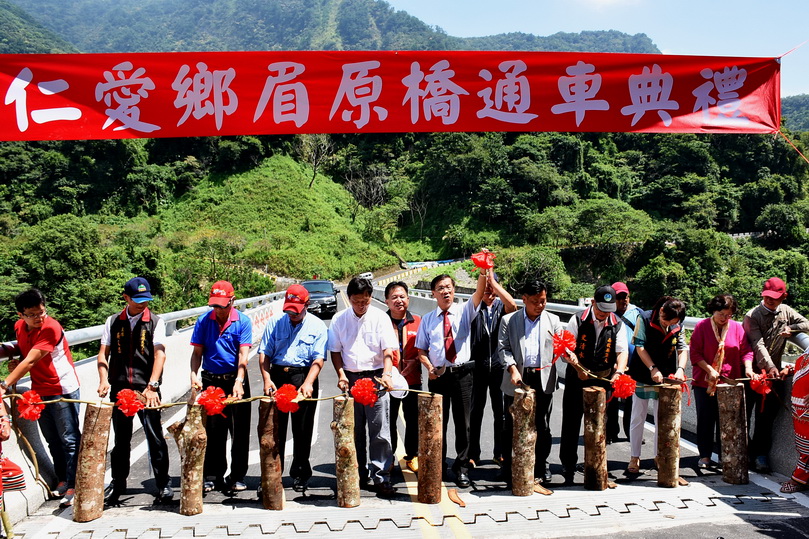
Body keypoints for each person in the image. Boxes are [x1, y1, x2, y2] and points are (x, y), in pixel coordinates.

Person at [0, 289, 80, 507]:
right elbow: (24, 350)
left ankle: (75, 484)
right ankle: (63, 479)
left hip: (62, 388)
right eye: (32, 314)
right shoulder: (19, 327)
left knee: (69, 440)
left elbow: (31, 361)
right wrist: (13, 357)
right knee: (52, 439)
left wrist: (5, 385)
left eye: (41, 312)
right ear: (21, 315)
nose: (38, 318)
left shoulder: (51, 327)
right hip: (40, 389)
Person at [97, 277, 173, 504]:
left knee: (155, 436)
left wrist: (152, 386)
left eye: (146, 300)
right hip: (120, 388)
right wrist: (103, 379)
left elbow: (160, 354)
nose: (143, 304)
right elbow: (103, 354)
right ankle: (118, 483)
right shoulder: (113, 321)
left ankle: (163, 484)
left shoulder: (155, 322)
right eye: (138, 300)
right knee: (121, 440)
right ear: (126, 298)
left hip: (146, 387)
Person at [329, 277, 397, 497]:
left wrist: (386, 374)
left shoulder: (380, 318)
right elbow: (336, 351)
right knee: (354, 430)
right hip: (351, 378)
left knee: (380, 431)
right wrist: (341, 374)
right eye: (357, 301)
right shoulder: (339, 319)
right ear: (349, 299)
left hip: (377, 378)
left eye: (366, 301)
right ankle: (357, 473)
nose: (362, 305)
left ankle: (381, 476)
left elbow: (388, 350)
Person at [416, 271, 485, 488]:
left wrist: (483, 272)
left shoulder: (465, 311)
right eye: (440, 288)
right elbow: (421, 350)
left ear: (453, 290)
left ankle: (462, 467)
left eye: (448, 287)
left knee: (463, 423)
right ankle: (439, 465)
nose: (446, 291)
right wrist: (429, 368)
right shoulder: (428, 320)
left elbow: (480, 293)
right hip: (439, 377)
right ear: (433, 293)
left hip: (463, 375)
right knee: (438, 424)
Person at [258, 284, 327, 493]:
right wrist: (267, 379)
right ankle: (272, 475)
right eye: (289, 311)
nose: (292, 315)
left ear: (307, 305)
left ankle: (300, 473)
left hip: (304, 376)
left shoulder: (317, 326)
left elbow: (318, 358)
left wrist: (308, 383)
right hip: (278, 376)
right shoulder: (275, 323)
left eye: (296, 311)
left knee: (302, 430)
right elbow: (264, 354)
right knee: (274, 430)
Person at [559, 284, 628, 485]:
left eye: (608, 311)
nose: (603, 315)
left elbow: (622, 351)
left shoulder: (617, 323)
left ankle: (595, 464)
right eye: (600, 310)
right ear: (592, 303)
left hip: (602, 379)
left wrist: (619, 371)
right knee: (571, 422)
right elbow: (566, 350)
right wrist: (578, 368)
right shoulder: (577, 319)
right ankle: (568, 464)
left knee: (599, 424)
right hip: (577, 377)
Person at [498, 280, 563, 486]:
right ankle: (509, 465)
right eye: (535, 301)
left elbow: (562, 345)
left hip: (543, 378)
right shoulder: (509, 320)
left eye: (543, 301)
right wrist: (512, 368)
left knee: (542, 425)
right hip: (518, 377)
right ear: (524, 299)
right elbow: (503, 349)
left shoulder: (553, 320)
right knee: (511, 425)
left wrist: (568, 354)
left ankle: (541, 465)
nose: (540, 305)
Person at [189, 280, 252, 493]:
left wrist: (239, 380)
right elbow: (197, 353)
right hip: (211, 381)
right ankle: (212, 474)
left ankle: (237, 476)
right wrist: (193, 375)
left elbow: (243, 354)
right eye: (215, 305)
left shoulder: (242, 321)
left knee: (239, 430)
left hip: (235, 379)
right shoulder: (203, 321)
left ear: (232, 301)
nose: (219, 310)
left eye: (223, 305)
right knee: (213, 430)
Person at [743, 277, 809, 473]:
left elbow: (806, 323)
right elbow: (758, 345)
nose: (770, 301)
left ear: (783, 297)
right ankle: (744, 454)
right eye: (767, 297)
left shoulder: (786, 311)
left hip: (774, 377)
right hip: (751, 373)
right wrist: (771, 366)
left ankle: (760, 455)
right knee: (743, 417)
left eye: (775, 298)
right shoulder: (753, 315)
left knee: (766, 419)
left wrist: (792, 328)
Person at [625, 296, 688, 474]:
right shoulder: (643, 318)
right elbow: (640, 347)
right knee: (638, 416)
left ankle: (659, 455)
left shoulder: (678, 325)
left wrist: (681, 369)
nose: (667, 324)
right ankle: (634, 456)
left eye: (673, 322)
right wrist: (652, 368)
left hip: (666, 375)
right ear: (661, 311)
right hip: (643, 371)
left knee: (663, 417)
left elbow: (682, 349)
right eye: (665, 320)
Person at [691, 294, 754, 468]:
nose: (725, 318)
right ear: (714, 311)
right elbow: (695, 353)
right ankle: (704, 455)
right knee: (706, 419)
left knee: (727, 420)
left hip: (729, 382)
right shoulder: (702, 326)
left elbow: (746, 351)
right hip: (705, 381)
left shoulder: (736, 328)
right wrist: (710, 370)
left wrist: (748, 367)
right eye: (722, 314)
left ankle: (724, 455)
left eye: (729, 315)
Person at [468, 272, 517, 468]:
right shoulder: (473, 308)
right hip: (478, 368)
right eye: (486, 287)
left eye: (493, 286)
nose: (490, 290)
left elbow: (513, 305)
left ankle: (500, 453)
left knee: (501, 413)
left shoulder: (501, 309)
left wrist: (494, 283)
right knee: (475, 412)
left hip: (499, 368)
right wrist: (484, 282)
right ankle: (473, 454)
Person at [384, 281, 422, 473]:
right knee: (388, 421)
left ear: (408, 298)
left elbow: (427, 347)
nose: (399, 300)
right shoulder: (380, 322)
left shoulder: (418, 320)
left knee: (413, 420)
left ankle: (412, 455)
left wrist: (416, 361)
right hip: (387, 382)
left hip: (413, 379)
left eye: (402, 296)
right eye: (394, 297)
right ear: (387, 301)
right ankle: (388, 457)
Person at [607, 282, 642, 443]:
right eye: (619, 297)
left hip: (634, 364)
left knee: (632, 401)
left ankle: (631, 432)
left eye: (625, 297)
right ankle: (610, 432)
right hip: (612, 364)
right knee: (611, 399)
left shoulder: (637, 313)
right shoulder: (607, 313)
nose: (623, 301)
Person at [781, 347, 809, 493]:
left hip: (805, 410)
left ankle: (798, 479)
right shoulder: (807, 351)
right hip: (800, 411)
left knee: (808, 448)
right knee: (803, 446)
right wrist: (790, 370)